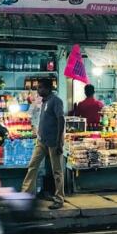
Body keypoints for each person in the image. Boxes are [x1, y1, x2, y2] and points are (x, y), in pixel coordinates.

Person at [22, 79, 66, 210]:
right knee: (32, 166)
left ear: (48, 89)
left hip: (53, 142)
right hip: (41, 141)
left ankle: (59, 199)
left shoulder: (56, 101)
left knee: (57, 171)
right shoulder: (44, 102)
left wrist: (59, 142)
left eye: (40, 87)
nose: (38, 90)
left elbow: (61, 120)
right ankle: (25, 194)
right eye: (38, 87)